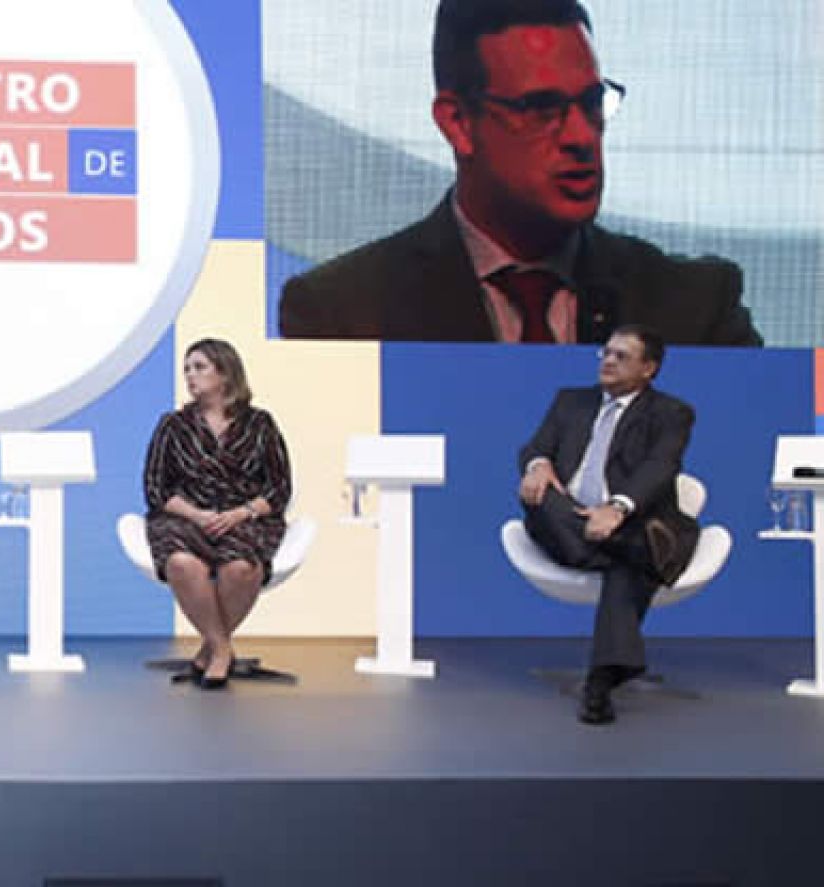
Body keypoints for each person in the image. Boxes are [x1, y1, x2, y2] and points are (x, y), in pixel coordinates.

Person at [277, 0, 759, 346]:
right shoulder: (343, 312)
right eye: (542, 108)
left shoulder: (695, 309)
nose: (580, 135)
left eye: (592, 102)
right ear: (458, 124)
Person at [518, 324, 697, 725]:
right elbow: (535, 446)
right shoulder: (570, 401)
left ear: (648, 368)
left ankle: (599, 684)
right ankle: (639, 553)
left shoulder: (671, 413)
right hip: (569, 521)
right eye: (606, 353)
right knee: (540, 498)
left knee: (624, 566)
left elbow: (660, 467)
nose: (609, 362)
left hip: (628, 521)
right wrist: (538, 464)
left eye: (622, 356)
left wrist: (616, 507)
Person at [141, 338, 292, 690]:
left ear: (224, 373)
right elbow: (155, 488)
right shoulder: (173, 425)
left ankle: (208, 649)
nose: (190, 376)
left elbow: (279, 487)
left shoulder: (260, 424)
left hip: (246, 517)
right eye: (186, 369)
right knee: (181, 563)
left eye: (199, 367)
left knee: (241, 567)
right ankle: (222, 650)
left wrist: (240, 513)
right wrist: (198, 515)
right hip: (185, 517)